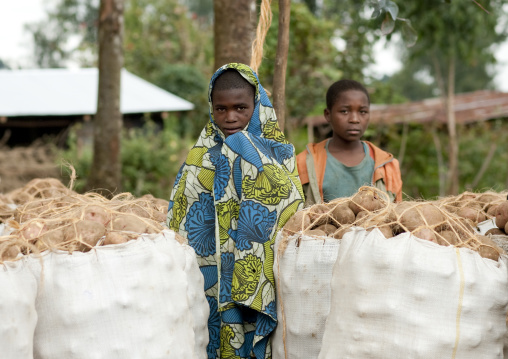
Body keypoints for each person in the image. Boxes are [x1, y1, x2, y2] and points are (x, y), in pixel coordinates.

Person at [167, 63, 304, 359]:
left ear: (257, 106)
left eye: (241, 108)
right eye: (221, 109)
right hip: (210, 286)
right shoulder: (199, 157)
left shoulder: (278, 154)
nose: (230, 117)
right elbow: (178, 219)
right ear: (211, 108)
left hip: (263, 283)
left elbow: (291, 214)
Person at [297, 79, 403, 206]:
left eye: (362, 112)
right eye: (344, 111)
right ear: (328, 115)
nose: (354, 119)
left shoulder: (388, 166)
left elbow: (397, 215)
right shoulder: (304, 163)